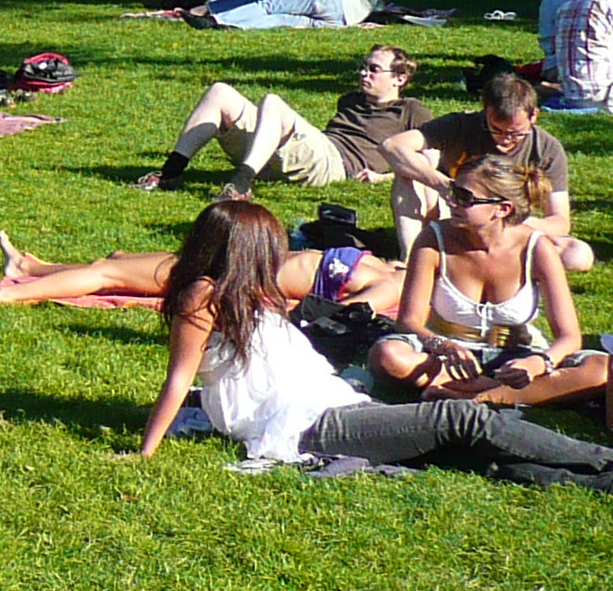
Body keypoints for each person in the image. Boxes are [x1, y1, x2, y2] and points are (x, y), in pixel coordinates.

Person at [131, 197, 613, 483]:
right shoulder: (202, 296)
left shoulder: (252, 295)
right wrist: (143, 452)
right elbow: (179, 379)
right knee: (463, 418)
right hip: (309, 425)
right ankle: (603, 462)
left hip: (331, 406)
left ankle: (598, 481)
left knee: (474, 455)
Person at [365, 160, 590, 396]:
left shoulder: (536, 248)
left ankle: (475, 393)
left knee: (598, 368)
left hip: (516, 356)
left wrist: (539, 362)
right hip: (447, 357)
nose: (451, 202)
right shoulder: (434, 239)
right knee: (388, 355)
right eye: (453, 191)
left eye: (465, 197)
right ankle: (506, 394)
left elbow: (569, 336)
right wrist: (443, 345)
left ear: (503, 209)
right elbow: (409, 320)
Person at [135, 47, 427, 196]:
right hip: (313, 151)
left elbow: (437, 161)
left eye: (374, 69)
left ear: (400, 79)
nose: (364, 74)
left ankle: (240, 184)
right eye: (363, 67)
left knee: (273, 103)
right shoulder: (350, 99)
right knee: (220, 92)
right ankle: (170, 173)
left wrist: (383, 178)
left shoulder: (411, 110)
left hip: (335, 165)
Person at [375, 65, 590, 267]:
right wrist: (442, 184)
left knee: (578, 255)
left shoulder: (546, 148)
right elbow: (392, 146)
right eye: (496, 129)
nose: (505, 139)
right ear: (485, 112)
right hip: (456, 213)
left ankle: (485, 259)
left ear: (534, 115)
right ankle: (412, 259)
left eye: (515, 133)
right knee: (409, 170)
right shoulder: (462, 124)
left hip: (509, 225)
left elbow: (560, 221)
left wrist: (507, 222)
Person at [0, 227, 403, 309]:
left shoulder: (390, 291)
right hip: (239, 261)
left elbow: (347, 316)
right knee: (115, 262)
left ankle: (5, 293)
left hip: (232, 276)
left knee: (108, 275)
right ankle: (34, 267)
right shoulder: (398, 270)